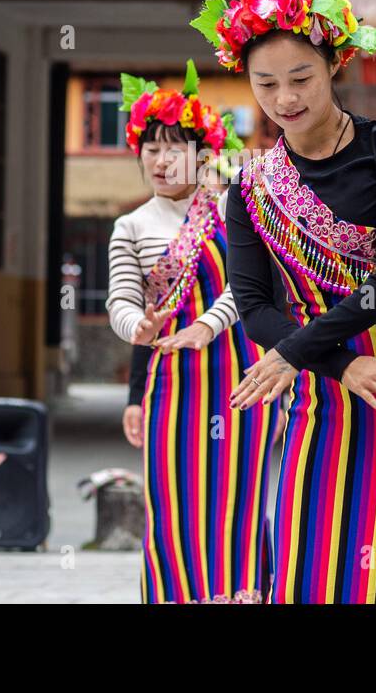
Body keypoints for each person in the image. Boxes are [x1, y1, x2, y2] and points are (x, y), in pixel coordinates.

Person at [194, 0, 376, 603]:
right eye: (266, 85)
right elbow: (255, 307)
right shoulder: (251, 187)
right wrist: (337, 364)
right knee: (304, 554)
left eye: (301, 78)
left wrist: (293, 353)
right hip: (323, 377)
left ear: (334, 66)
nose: (284, 98)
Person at [106, 60, 278, 603]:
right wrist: (137, 329)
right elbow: (124, 301)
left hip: (237, 378)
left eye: (174, 147)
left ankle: (241, 593)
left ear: (203, 154)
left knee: (239, 495)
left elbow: (250, 286)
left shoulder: (235, 210)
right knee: (171, 500)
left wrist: (208, 325)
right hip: (169, 383)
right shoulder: (129, 227)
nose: (160, 160)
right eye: (150, 148)